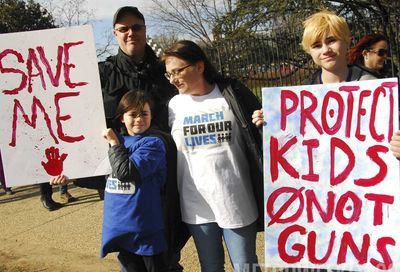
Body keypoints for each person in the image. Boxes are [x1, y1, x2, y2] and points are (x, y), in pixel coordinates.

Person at [162, 40, 263, 272]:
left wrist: (264, 120)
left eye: (178, 71)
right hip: (196, 204)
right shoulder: (173, 105)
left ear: (199, 66)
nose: (173, 79)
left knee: (246, 265)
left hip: (236, 198)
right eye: (169, 74)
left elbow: (260, 131)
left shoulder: (230, 94)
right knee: (210, 266)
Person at [72, 5, 177, 202]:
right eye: (124, 29)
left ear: (145, 30)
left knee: (165, 231)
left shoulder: (168, 71)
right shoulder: (99, 75)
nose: (131, 33)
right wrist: (66, 167)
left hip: (163, 176)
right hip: (118, 180)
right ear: (115, 33)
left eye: (137, 27)